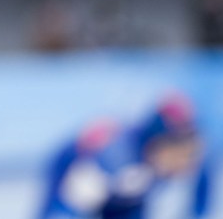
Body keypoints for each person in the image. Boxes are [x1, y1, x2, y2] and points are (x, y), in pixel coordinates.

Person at [39, 94, 213, 219]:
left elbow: (203, 181)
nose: (186, 163)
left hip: (128, 184)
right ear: (156, 147)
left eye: (190, 153)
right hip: (75, 167)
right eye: (180, 155)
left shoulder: (190, 156)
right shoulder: (115, 159)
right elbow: (68, 208)